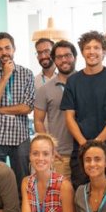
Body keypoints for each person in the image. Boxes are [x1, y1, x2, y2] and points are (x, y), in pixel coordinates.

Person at [62, 30, 106, 187]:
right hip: (81, 150)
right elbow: (69, 118)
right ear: (82, 52)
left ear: (104, 52)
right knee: (81, 195)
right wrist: (84, 144)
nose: (92, 52)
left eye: (96, 48)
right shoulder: (73, 81)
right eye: (88, 48)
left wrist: (96, 143)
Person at [0, 32, 35, 185]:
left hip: (20, 135)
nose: (4, 52)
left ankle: (21, 201)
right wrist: (5, 76)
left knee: (23, 179)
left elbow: (27, 108)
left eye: (7, 48)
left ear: (14, 48)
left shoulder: (27, 74)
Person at [34, 40, 76, 177]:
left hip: (86, 150)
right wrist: (49, 146)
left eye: (67, 55)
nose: (64, 60)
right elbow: (38, 121)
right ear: (54, 60)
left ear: (75, 57)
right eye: (59, 57)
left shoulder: (86, 83)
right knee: (62, 190)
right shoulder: (45, 89)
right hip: (60, 154)